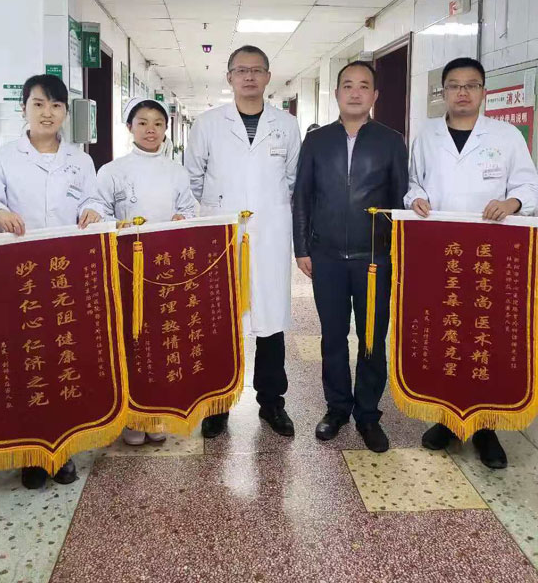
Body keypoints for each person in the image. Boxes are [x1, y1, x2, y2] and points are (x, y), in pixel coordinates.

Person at [405, 56, 538, 469]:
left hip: (489, 255)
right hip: (440, 253)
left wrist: (512, 203)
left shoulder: (506, 136)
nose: (462, 92)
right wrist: (415, 198)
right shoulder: (426, 135)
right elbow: (413, 182)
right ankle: (447, 419)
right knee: (447, 333)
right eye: (454, 85)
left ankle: (485, 427)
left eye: (471, 85)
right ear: (443, 91)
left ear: (483, 91)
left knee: (485, 335)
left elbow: (529, 185)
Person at [0, 74, 103, 489]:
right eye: (39, 104)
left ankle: (63, 451)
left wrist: (93, 210)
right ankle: (32, 454)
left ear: (66, 112)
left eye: (56, 105)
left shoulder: (80, 160)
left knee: (66, 358)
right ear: (24, 108)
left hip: (66, 273)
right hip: (21, 277)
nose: (48, 113)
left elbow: (93, 198)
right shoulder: (2, 158)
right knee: (28, 360)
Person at [185, 45, 301, 438]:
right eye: (241, 70)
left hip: (269, 234)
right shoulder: (207, 124)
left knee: (271, 320)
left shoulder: (286, 125)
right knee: (221, 320)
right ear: (229, 77)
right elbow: (192, 179)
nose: (249, 77)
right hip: (221, 234)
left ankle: (272, 402)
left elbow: (292, 179)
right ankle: (218, 405)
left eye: (256, 70)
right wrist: (215, 213)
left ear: (268, 76)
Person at [293, 61, 408, 453]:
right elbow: (302, 197)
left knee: (372, 337)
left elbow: (401, 200)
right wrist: (302, 248)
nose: (355, 92)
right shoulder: (317, 140)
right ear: (337, 93)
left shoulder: (391, 141)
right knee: (332, 336)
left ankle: (368, 414)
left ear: (375, 95)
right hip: (326, 257)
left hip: (374, 258)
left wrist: (398, 253)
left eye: (363, 86)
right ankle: (337, 408)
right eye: (347, 85)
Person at [96, 97, 197, 446]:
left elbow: (189, 208)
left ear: (166, 128)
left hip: (165, 268)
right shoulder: (112, 171)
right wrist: (114, 223)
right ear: (130, 128)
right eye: (142, 123)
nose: (150, 129)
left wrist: (184, 217)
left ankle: (157, 414)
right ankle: (131, 416)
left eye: (157, 123)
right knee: (131, 337)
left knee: (162, 338)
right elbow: (98, 210)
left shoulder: (176, 171)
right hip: (127, 267)